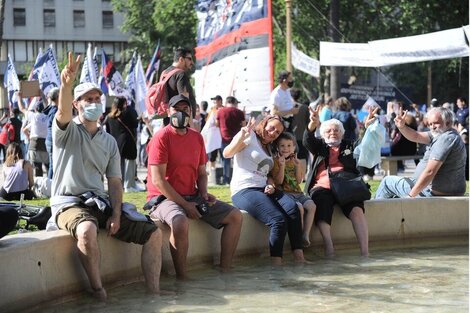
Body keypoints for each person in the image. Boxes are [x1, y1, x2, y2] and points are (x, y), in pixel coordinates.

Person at [47, 52, 164, 301]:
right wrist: (66, 85)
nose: (94, 102)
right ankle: (99, 292)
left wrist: (117, 214)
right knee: (87, 229)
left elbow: (114, 182)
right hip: (68, 203)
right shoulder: (66, 132)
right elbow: (62, 113)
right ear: (76, 104)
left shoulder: (109, 141)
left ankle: (154, 294)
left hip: (99, 201)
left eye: (97, 98)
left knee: (153, 233)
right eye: (87, 99)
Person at [146, 94, 242, 280]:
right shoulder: (161, 137)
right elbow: (158, 181)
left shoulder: (197, 137)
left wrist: (204, 193)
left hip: (192, 195)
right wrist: (185, 204)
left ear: (191, 112)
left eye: (186, 109)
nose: (182, 113)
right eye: (177, 109)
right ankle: (182, 278)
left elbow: (201, 173)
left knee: (235, 216)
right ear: (168, 112)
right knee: (180, 222)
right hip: (162, 198)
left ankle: (226, 270)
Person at [224, 115, 306, 266]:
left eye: (278, 132)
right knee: (278, 220)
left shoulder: (270, 146)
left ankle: (299, 259)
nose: (274, 132)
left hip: (265, 188)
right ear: (265, 123)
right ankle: (277, 266)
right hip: (244, 190)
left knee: (293, 208)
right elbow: (227, 153)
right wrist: (241, 136)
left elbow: (267, 174)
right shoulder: (249, 135)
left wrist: (270, 183)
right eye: (272, 127)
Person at [303, 106, 378, 257]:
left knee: (357, 210)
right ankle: (329, 248)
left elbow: (363, 143)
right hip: (322, 186)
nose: (333, 133)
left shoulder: (349, 145)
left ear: (342, 134)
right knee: (322, 205)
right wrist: (312, 124)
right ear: (323, 135)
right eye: (329, 131)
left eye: (336, 130)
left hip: (347, 186)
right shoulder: (319, 146)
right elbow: (307, 140)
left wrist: (367, 127)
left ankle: (365, 252)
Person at [375, 107, 467, 198]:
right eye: (430, 124)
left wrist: (411, 196)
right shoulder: (445, 133)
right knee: (394, 196)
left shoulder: (445, 138)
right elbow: (415, 136)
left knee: (387, 182)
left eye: (436, 123)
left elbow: (430, 171)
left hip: (432, 191)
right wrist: (402, 127)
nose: (432, 127)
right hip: (442, 190)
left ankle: (374, 213)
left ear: (448, 122)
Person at [270, 132, 316, 247]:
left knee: (312, 206)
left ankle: (305, 234)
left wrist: (298, 166)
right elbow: (278, 182)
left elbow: (299, 180)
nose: (286, 148)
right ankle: (298, 237)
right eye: (282, 146)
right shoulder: (275, 161)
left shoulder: (296, 161)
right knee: (299, 207)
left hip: (298, 193)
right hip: (285, 194)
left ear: (294, 147)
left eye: (289, 145)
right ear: (277, 147)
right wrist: (282, 166)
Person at [104, 97, 143, 193]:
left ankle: (120, 185)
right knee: (130, 164)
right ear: (124, 104)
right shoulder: (127, 113)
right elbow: (135, 124)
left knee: (119, 165)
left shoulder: (109, 116)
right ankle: (129, 185)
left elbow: (108, 130)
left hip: (116, 143)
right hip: (128, 141)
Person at [215, 96, 246, 184]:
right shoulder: (239, 112)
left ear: (226, 102)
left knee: (226, 161)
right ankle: (238, 179)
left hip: (224, 139)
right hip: (237, 140)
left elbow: (217, 124)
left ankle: (226, 180)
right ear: (235, 103)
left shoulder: (220, 111)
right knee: (239, 160)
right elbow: (244, 126)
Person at [17, 93, 49, 177]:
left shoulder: (32, 116)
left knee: (37, 171)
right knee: (49, 169)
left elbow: (22, 108)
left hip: (34, 145)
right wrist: (42, 94)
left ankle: (39, 189)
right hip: (46, 145)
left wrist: (19, 96)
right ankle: (50, 187)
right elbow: (48, 105)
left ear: (35, 109)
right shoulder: (48, 116)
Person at [161, 47, 197, 119]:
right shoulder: (181, 74)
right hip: (181, 123)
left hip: (169, 119)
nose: (192, 62)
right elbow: (185, 103)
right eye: (189, 59)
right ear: (181, 59)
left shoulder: (164, 73)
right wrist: (191, 124)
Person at [42, 87, 59, 179]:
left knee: (53, 164)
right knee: (53, 165)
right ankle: (50, 185)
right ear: (57, 97)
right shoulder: (55, 111)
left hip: (50, 140)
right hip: (52, 140)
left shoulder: (52, 108)